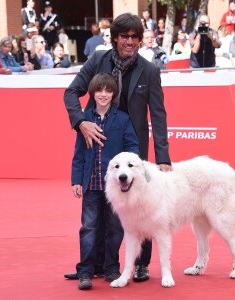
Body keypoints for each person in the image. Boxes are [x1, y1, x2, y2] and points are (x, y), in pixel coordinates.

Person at [63, 12, 172, 284]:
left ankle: (141, 264)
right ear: (115, 37)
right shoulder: (97, 60)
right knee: (101, 206)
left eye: (135, 37)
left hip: (133, 149)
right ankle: (95, 264)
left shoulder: (149, 70)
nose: (130, 42)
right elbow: (71, 92)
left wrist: (163, 158)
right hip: (99, 141)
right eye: (125, 36)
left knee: (144, 206)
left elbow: (157, 115)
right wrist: (81, 123)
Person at [72, 72, 139, 290]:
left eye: (108, 90)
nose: (103, 94)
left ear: (113, 93)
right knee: (89, 227)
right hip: (91, 183)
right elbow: (79, 152)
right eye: (99, 90)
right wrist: (76, 180)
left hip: (117, 187)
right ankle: (85, 271)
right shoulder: (85, 119)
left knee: (115, 227)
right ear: (92, 92)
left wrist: (128, 169)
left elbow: (133, 148)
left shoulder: (122, 119)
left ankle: (111, 268)